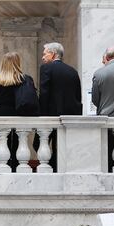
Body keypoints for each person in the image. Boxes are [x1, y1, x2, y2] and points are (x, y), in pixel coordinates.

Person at [38, 42, 81, 170]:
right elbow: (77, 97)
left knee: (41, 146)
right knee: (63, 148)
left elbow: (44, 94)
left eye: (45, 54)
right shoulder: (73, 71)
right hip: (70, 117)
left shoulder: (46, 68)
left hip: (51, 116)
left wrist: (41, 116)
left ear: (53, 54)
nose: (43, 57)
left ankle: (53, 166)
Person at [0, 52, 36, 170]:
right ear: (17, 63)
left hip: (2, 115)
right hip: (19, 114)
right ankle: (16, 167)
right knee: (18, 142)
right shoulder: (24, 79)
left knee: (3, 141)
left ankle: (3, 168)